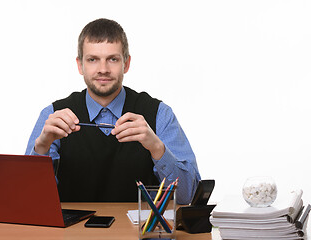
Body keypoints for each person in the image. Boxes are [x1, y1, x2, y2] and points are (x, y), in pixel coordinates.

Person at [25, 18, 201, 204]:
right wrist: (42, 147)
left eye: (113, 59)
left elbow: (188, 196)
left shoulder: (159, 114)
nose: (103, 69)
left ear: (126, 63)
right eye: (92, 60)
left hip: (138, 232)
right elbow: (29, 199)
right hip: (72, 233)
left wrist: (157, 148)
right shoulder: (53, 115)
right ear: (80, 65)